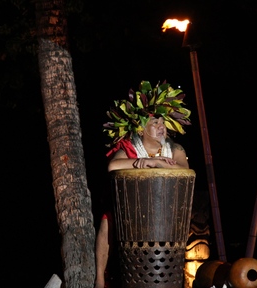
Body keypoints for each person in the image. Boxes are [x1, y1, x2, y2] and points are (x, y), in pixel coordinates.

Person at [94, 80, 192, 288]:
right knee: (107, 220)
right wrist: (143, 163)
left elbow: (185, 169)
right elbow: (113, 166)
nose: (161, 127)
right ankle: (100, 279)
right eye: (155, 123)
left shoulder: (175, 149)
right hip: (133, 214)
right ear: (140, 130)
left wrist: (155, 162)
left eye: (162, 123)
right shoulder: (130, 148)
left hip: (165, 213)